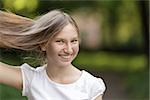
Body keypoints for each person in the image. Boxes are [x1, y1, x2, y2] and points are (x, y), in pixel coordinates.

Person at [0, 9, 106, 100]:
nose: (69, 50)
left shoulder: (91, 86)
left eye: (73, 41)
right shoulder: (32, 79)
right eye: (60, 41)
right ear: (43, 44)